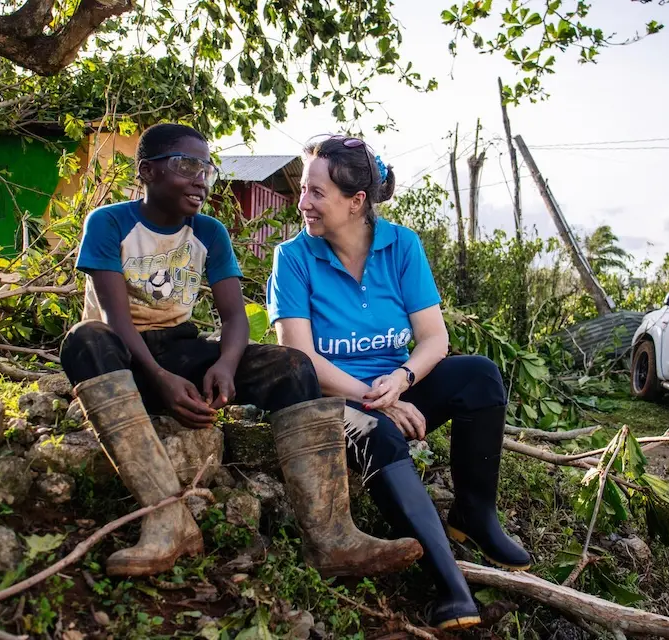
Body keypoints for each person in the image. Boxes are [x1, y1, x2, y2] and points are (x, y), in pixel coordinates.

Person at [60, 123, 421, 579]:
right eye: (186, 165)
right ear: (147, 171)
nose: (200, 179)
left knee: (291, 364)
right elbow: (116, 320)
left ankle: (331, 537)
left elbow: (233, 317)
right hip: (121, 361)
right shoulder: (110, 223)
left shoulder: (208, 232)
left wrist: (227, 366)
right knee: (83, 338)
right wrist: (159, 378)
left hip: (181, 349)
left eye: (206, 169)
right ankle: (167, 521)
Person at [266, 134, 533, 631]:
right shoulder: (294, 258)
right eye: (303, 189)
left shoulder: (401, 246)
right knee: (379, 431)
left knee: (478, 375)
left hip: (393, 386)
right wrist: (377, 402)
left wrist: (402, 379)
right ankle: (449, 585)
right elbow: (299, 358)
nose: (303, 202)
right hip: (331, 400)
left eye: (316, 193)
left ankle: (474, 515)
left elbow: (435, 338)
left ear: (356, 201)